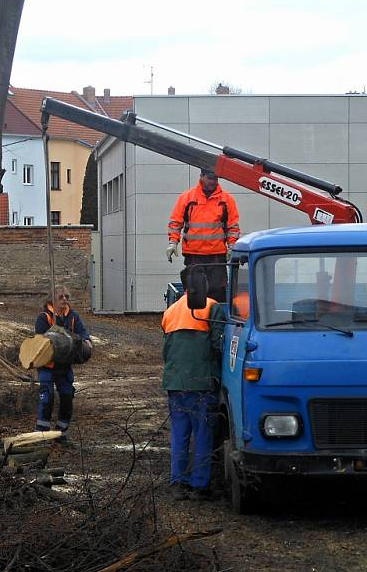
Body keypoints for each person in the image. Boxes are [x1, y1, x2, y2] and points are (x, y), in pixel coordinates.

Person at [161, 269, 225, 500]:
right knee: (203, 434)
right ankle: (200, 485)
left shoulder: (170, 311)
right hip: (201, 382)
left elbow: (167, 351)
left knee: (180, 433)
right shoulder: (211, 307)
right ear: (202, 285)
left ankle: (178, 483)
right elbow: (219, 346)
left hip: (176, 382)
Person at [166, 168, 240, 302]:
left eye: (215, 178)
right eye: (210, 178)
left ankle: (216, 321)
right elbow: (176, 222)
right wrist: (172, 242)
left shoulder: (226, 200)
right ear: (201, 176)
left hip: (217, 256)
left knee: (217, 293)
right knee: (195, 292)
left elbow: (232, 226)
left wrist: (232, 246)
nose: (213, 181)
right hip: (194, 255)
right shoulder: (187, 198)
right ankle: (195, 322)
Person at [34, 288, 92, 440]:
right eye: (61, 297)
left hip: (65, 365)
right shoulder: (44, 317)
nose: (65, 299)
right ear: (52, 299)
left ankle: (62, 434)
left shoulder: (72, 316)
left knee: (67, 397)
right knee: (47, 397)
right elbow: (40, 340)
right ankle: (42, 434)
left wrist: (87, 341)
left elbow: (82, 332)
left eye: (67, 296)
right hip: (48, 365)